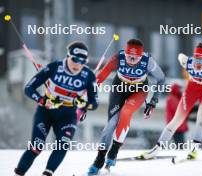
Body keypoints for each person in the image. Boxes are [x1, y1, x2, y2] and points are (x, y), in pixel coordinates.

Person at [141, 41, 202, 160]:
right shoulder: (187, 62)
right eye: (197, 60)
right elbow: (180, 56)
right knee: (177, 119)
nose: (199, 64)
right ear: (193, 58)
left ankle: (194, 149)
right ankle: (156, 149)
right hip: (192, 89)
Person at [14, 41, 98, 176]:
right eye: (75, 59)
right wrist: (42, 100)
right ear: (68, 56)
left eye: (83, 61)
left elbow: (95, 103)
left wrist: (85, 105)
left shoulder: (89, 75)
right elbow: (29, 88)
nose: (78, 64)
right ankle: (19, 173)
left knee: (63, 145)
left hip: (68, 116)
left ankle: (47, 173)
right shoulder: (54, 67)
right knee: (37, 146)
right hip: (46, 112)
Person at [87, 38, 165, 175]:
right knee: (111, 123)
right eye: (129, 56)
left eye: (135, 58)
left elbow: (161, 78)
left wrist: (153, 101)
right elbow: (101, 76)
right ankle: (99, 159)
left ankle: (114, 151)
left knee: (126, 112)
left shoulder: (148, 62)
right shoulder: (119, 57)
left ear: (141, 56)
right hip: (119, 87)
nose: (132, 60)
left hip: (139, 90)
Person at [165, 84, 188, 148]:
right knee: (180, 144)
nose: (181, 91)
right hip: (177, 126)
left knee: (179, 143)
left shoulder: (174, 98)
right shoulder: (172, 99)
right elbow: (179, 110)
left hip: (177, 126)